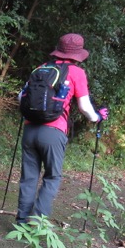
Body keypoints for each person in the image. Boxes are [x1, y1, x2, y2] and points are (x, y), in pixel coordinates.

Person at [15, 33, 108, 225]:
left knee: (29, 177)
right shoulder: (76, 73)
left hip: (30, 128)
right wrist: (97, 116)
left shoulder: (40, 68)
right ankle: (37, 220)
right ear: (78, 54)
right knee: (52, 176)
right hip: (54, 131)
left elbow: (20, 97)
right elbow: (84, 107)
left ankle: (22, 220)